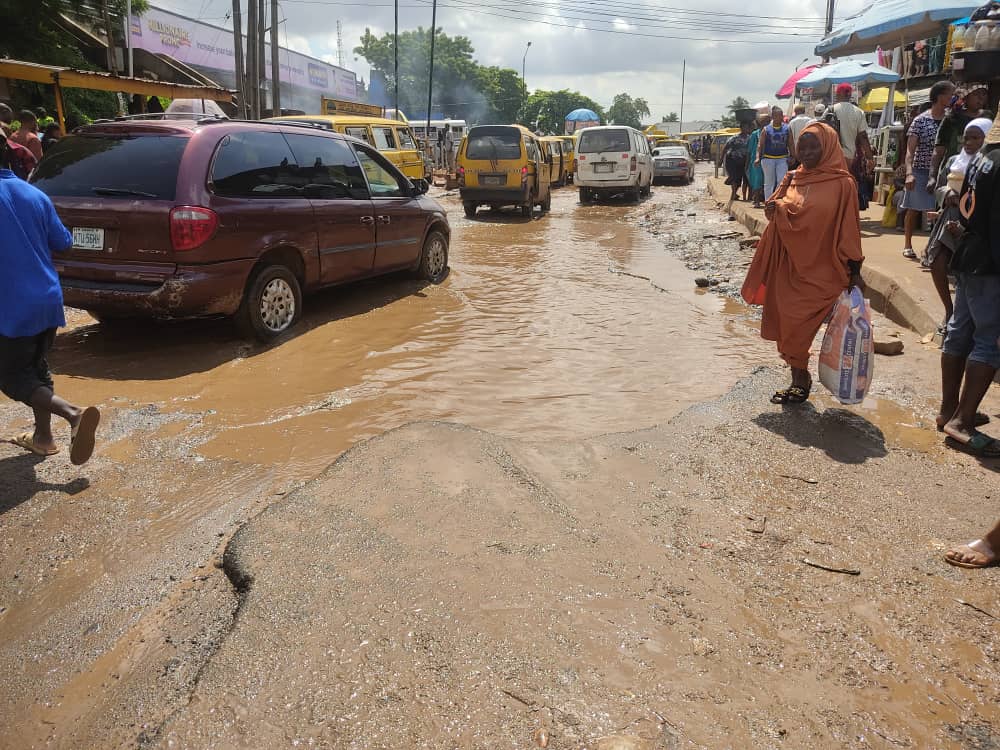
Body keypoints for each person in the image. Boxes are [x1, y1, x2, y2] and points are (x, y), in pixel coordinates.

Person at [741, 122, 863, 404]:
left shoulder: (844, 184)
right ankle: (800, 377)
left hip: (825, 270)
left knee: (825, 328)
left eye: (813, 146)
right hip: (790, 267)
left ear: (829, 146)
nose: (806, 152)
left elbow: (850, 229)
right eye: (802, 146)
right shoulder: (793, 177)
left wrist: (854, 270)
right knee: (789, 325)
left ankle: (832, 379)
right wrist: (775, 208)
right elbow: (774, 208)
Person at [0, 139, 100, 464]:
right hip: (46, 299)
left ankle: (72, 414)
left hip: (10, 306)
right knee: (36, 368)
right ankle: (43, 438)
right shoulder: (34, 195)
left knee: (12, 377)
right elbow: (63, 241)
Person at [936, 111, 1000, 457]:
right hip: (990, 262)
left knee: (960, 330)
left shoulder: (981, 161)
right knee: (988, 340)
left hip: (968, 256)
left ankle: (950, 410)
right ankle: (961, 422)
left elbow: (965, 210)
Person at [924, 118, 991, 331]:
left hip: (974, 222)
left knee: (965, 271)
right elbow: (940, 187)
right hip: (950, 216)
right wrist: (948, 194)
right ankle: (948, 309)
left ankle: (966, 318)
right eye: (966, 138)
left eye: (975, 138)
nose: (969, 143)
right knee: (937, 262)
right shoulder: (955, 160)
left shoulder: (989, 165)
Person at [900, 80, 955, 259]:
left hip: (944, 172)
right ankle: (908, 244)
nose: (952, 97)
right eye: (949, 94)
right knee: (913, 208)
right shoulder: (921, 121)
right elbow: (910, 150)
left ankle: (931, 248)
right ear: (939, 96)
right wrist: (909, 173)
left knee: (938, 211)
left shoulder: (952, 119)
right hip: (921, 170)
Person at [930, 83, 992, 183]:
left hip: (980, 172)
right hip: (954, 171)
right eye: (976, 94)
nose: (981, 98)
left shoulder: (988, 117)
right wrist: (932, 176)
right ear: (966, 97)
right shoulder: (952, 118)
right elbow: (939, 151)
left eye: (984, 94)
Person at [755, 106, 794, 202]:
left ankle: (777, 200)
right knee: (769, 182)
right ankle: (768, 201)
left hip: (782, 159)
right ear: (773, 117)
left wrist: (793, 156)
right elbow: (760, 145)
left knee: (781, 181)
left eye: (781, 115)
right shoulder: (766, 129)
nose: (780, 117)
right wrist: (757, 158)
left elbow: (790, 143)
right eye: (777, 116)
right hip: (768, 159)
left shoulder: (787, 128)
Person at [831, 83, 868, 164]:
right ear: (850, 95)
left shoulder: (831, 109)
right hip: (850, 157)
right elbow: (863, 136)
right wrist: (870, 158)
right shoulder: (859, 112)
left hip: (832, 155)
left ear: (837, 94)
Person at [722, 120, 752, 213]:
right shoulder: (734, 138)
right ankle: (733, 194)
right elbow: (725, 148)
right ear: (741, 128)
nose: (747, 129)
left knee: (747, 180)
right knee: (735, 179)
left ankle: (747, 197)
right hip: (733, 161)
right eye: (745, 127)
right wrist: (720, 160)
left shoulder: (750, 138)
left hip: (746, 161)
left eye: (748, 127)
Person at [745, 115, 767, 208]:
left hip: (768, 159)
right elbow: (749, 151)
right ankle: (757, 200)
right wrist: (747, 164)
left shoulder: (770, 132)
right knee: (757, 181)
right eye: (765, 121)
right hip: (756, 161)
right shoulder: (755, 134)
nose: (767, 123)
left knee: (767, 181)